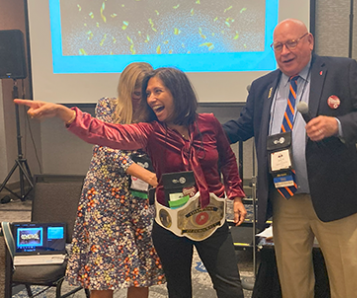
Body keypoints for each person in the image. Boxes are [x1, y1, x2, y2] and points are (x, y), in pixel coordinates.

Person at [15, 67, 248, 298]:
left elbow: (227, 158)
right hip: (172, 223)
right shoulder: (151, 132)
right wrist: (65, 114)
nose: (151, 98)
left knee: (230, 288)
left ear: (177, 92)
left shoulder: (209, 122)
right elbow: (105, 133)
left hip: (212, 220)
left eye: (157, 91)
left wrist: (236, 196)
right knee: (178, 291)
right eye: (147, 93)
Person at [223, 19, 357, 298]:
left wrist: (336, 126)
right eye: (278, 46)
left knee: (347, 282)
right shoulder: (262, 86)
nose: (285, 51)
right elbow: (242, 126)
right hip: (284, 199)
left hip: (333, 195)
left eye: (292, 42)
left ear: (309, 41)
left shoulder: (341, 70)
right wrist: (200, 132)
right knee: (293, 283)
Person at [64, 62, 165, 298]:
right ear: (125, 88)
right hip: (104, 197)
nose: (144, 99)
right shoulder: (107, 106)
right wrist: (146, 175)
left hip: (139, 198)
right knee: (103, 267)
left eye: (148, 93)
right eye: (138, 93)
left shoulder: (155, 115)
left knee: (142, 262)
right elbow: (104, 149)